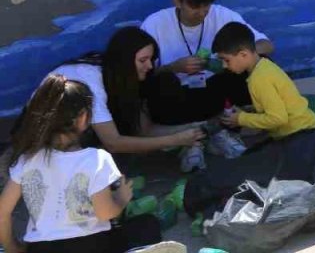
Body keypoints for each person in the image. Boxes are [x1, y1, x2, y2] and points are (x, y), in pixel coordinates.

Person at [0, 75, 181, 253]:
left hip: (40, 248)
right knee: (146, 224)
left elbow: (2, 211)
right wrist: (121, 198)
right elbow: (106, 213)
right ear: (83, 117)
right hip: (92, 246)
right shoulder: (96, 159)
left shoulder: (28, 159)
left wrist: (14, 248)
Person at [139, 0, 268, 171]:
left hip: (215, 93)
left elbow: (266, 46)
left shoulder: (223, 15)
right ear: (177, 2)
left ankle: (218, 132)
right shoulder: (154, 24)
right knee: (161, 83)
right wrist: (174, 67)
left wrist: (228, 58)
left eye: (206, 5)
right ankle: (194, 140)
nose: (202, 12)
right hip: (178, 101)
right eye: (194, 6)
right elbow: (140, 75)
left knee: (253, 64)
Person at [23, 28, 205, 160]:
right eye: (143, 60)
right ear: (125, 59)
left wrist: (195, 130)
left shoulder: (119, 76)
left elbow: (144, 130)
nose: (149, 66)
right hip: (44, 133)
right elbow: (113, 142)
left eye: (151, 59)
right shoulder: (92, 82)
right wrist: (174, 140)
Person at [213, 23, 315, 171]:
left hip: (301, 139)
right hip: (311, 133)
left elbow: (278, 118)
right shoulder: (265, 65)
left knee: (250, 167)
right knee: (253, 155)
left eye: (226, 60)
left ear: (243, 54)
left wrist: (240, 119)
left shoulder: (258, 79)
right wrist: (249, 111)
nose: (224, 66)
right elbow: (278, 104)